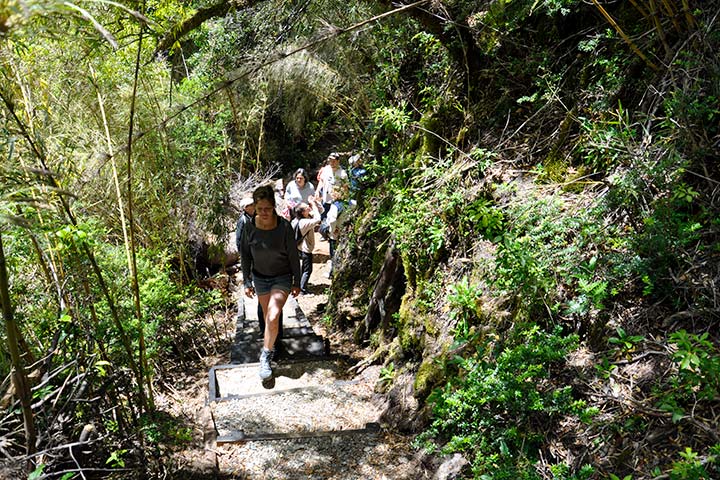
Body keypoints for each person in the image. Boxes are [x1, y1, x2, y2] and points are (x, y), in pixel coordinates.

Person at [239, 184, 301, 380]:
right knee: (268, 319)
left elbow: (293, 256)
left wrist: (297, 281)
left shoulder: (284, 227)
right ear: (254, 208)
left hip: (282, 277)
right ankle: (271, 346)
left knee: (273, 316)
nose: (264, 213)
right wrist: (247, 281)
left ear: (273, 206)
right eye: (260, 209)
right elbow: (245, 255)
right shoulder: (249, 227)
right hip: (260, 278)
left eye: (267, 208)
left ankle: (264, 357)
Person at [291, 197, 323, 295]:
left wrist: (315, 203)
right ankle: (303, 290)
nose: (309, 208)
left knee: (303, 268)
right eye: (307, 208)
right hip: (305, 249)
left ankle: (300, 285)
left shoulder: (297, 220)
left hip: (299, 247)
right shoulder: (304, 222)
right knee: (307, 270)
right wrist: (313, 205)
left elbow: (321, 211)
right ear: (303, 212)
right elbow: (318, 219)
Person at [315, 152, 348, 221]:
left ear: (338, 161)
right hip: (326, 198)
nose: (332, 163)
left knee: (332, 219)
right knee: (323, 217)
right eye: (330, 161)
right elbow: (321, 181)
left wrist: (344, 197)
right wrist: (317, 191)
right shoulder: (326, 170)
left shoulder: (343, 173)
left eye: (334, 161)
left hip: (336, 201)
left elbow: (346, 187)